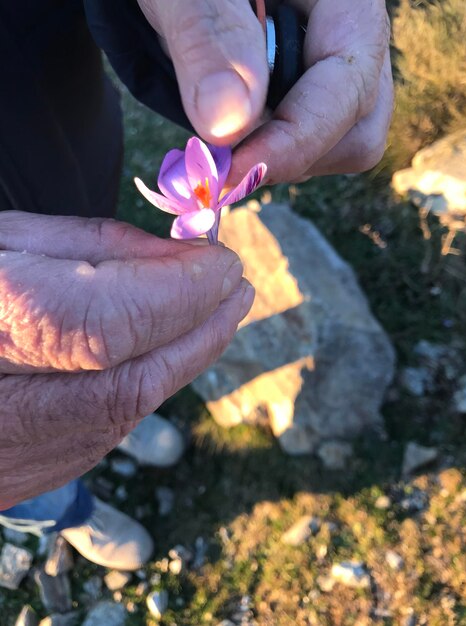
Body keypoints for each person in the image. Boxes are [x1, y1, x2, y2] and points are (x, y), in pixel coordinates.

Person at [0, 0, 393, 570]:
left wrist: (239, 26)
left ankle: (120, 416)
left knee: (97, 305)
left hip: (46, 91)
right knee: (20, 436)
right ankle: (66, 509)